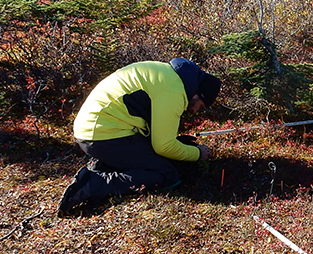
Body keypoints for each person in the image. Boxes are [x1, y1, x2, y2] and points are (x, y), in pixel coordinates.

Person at [57, 58, 221, 216]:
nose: (195, 111)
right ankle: (93, 184)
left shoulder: (166, 74)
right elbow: (163, 146)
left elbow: (145, 118)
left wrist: (177, 142)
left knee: (158, 159)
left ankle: (106, 165)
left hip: (95, 130)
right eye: (200, 106)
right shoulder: (174, 91)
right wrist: (198, 154)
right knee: (166, 174)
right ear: (197, 95)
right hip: (104, 136)